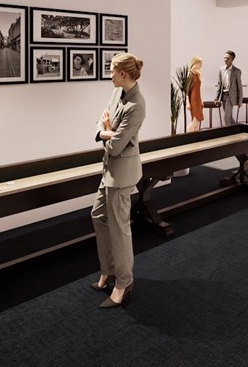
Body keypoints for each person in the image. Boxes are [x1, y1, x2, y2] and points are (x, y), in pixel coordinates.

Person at [90, 53, 146, 308]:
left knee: (119, 228)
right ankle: (108, 270)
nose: (109, 74)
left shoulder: (137, 105)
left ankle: (123, 282)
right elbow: (101, 123)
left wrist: (106, 131)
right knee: (98, 216)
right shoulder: (116, 93)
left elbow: (115, 147)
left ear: (123, 73)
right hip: (109, 170)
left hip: (122, 174)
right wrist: (106, 131)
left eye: (112, 70)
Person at [214, 50, 242, 126]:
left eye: (227, 58)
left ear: (232, 59)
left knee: (226, 118)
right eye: (224, 58)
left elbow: (239, 87)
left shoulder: (237, 71)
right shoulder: (221, 69)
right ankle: (237, 129)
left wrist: (240, 101)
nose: (225, 60)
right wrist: (216, 98)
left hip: (231, 97)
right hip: (223, 96)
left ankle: (229, 133)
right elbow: (219, 84)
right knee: (229, 118)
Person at [186, 56, 203, 132]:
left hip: (198, 99)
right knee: (195, 120)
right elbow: (186, 90)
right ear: (195, 63)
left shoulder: (198, 74)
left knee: (198, 122)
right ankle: (187, 133)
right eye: (200, 64)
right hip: (193, 99)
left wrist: (201, 100)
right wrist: (187, 103)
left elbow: (198, 89)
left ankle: (195, 138)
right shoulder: (190, 74)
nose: (201, 65)